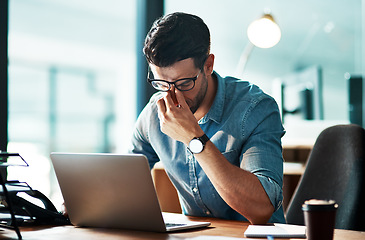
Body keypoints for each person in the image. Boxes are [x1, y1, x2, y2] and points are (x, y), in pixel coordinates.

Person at [130, 12, 285, 224]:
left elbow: (261, 208)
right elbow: (123, 179)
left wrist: (195, 139)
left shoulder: (255, 108)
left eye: (184, 83)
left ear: (208, 65)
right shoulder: (153, 114)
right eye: (161, 84)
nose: (172, 96)